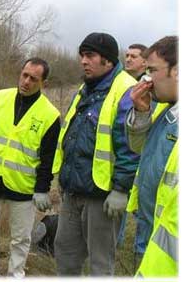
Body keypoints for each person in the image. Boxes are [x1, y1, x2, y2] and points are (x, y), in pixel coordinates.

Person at [52, 32, 140, 276]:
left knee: (100, 264)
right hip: (72, 190)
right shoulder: (85, 88)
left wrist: (121, 189)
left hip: (101, 197)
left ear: (108, 61)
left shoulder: (126, 90)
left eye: (90, 55)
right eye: (82, 55)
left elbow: (131, 146)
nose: (83, 61)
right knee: (65, 255)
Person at [0, 57, 61, 277]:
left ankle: (15, 275)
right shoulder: (1, 97)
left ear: (44, 83)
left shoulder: (50, 115)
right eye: (24, 75)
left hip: (23, 188)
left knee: (21, 239)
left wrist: (42, 188)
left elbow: (48, 158)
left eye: (33, 78)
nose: (26, 81)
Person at [125, 36, 178, 276]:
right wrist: (142, 111)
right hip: (148, 231)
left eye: (153, 71)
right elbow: (139, 149)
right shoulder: (167, 111)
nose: (146, 79)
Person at [117, 43, 147, 250]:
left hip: (143, 156)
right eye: (126, 55)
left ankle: (142, 250)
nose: (128, 59)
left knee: (142, 208)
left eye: (133, 56)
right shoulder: (122, 85)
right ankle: (115, 244)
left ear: (145, 62)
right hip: (126, 156)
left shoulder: (149, 86)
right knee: (121, 204)